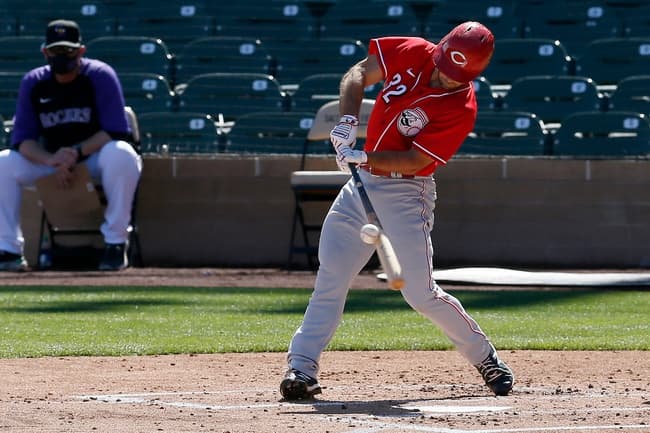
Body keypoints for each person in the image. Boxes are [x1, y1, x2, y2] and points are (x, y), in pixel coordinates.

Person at [280, 21, 514, 400]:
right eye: (442, 68)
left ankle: (484, 356)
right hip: (361, 189)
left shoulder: (461, 107)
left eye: (454, 77)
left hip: (407, 192)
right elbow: (357, 73)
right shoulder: (414, 51)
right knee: (332, 276)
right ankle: (301, 368)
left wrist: (363, 155)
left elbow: (415, 159)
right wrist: (347, 122)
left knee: (420, 293)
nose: (442, 79)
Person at [0, 19, 142, 271]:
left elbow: (115, 131)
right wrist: (51, 160)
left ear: (81, 51)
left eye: (67, 51)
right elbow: (22, 142)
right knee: (3, 163)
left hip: (93, 159)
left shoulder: (99, 75)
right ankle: (8, 249)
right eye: (55, 51)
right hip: (52, 162)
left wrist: (75, 154)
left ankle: (115, 243)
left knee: (122, 154)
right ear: (45, 52)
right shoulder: (34, 82)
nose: (61, 57)